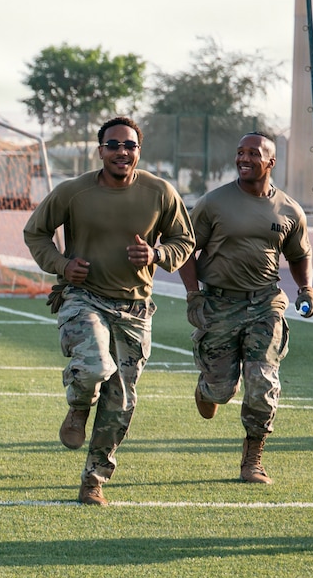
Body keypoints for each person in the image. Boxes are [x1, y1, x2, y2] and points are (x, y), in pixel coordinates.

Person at [22, 116, 193, 506]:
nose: (121, 152)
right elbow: (35, 232)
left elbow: (185, 240)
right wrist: (62, 265)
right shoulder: (73, 192)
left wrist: (157, 253)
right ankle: (79, 405)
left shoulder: (160, 192)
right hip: (84, 297)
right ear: (100, 151)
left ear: (139, 151)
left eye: (129, 145)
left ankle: (94, 477)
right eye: (113, 145)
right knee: (96, 366)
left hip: (135, 309)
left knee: (121, 402)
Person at [178, 133, 313, 485]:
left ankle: (252, 459)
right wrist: (194, 295)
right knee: (222, 390)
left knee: (263, 381)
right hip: (219, 303)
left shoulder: (289, 209)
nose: (244, 158)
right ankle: (209, 388)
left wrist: (306, 288)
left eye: (253, 153)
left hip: (265, 304)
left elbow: (299, 255)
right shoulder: (213, 203)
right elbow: (185, 250)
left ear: (270, 162)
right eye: (240, 152)